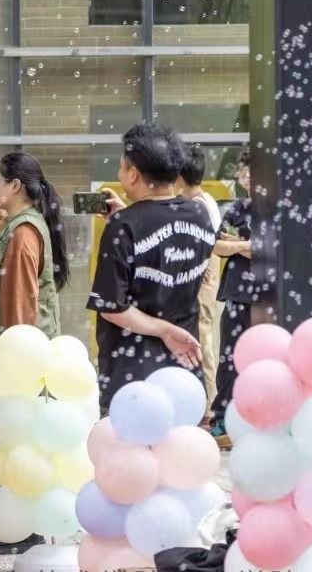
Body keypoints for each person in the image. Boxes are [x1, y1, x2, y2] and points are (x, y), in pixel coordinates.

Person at [0, 151, 69, 554]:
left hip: (11, 363)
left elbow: (21, 304)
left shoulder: (23, 232)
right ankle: (15, 524)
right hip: (5, 358)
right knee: (6, 442)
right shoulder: (16, 227)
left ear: (15, 186)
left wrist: (16, 364)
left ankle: (18, 528)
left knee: (10, 444)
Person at [92, 122, 213, 409]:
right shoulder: (200, 214)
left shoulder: (124, 227)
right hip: (184, 368)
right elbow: (166, 241)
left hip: (132, 374)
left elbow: (112, 307)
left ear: (133, 174)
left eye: (121, 167)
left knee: (131, 437)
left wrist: (163, 330)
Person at [209, 148, 255, 449]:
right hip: (237, 294)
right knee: (230, 357)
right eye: (243, 169)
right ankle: (222, 419)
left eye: (250, 169)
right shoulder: (237, 209)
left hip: (270, 296)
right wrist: (244, 245)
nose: (244, 175)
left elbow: (273, 250)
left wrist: (239, 243)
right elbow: (218, 246)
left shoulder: (280, 210)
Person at [177, 145, 223, 409]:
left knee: (202, 342)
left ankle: (208, 405)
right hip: (207, 278)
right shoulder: (207, 200)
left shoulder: (196, 206)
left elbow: (203, 247)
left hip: (201, 280)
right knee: (204, 340)